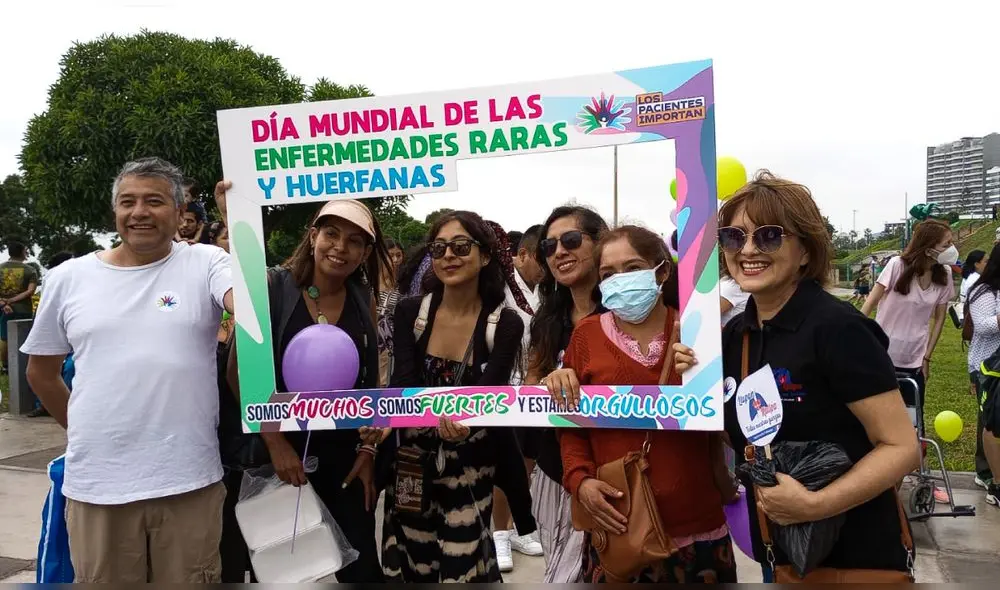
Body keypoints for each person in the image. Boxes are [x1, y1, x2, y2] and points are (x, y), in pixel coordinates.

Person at [675, 171, 919, 581]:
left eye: (768, 236)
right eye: (734, 237)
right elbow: (743, 434)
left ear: (805, 250)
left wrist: (814, 505)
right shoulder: (736, 336)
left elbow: (901, 447)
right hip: (780, 554)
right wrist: (694, 384)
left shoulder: (837, 328)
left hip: (856, 558)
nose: (748, 249)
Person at [21, 157, 235, 582]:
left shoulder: (206, 262)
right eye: (127, 202)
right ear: (115, 211)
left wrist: (240, 223)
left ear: (179, 213)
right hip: (98, 488)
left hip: (189, 484)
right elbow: (40, 372)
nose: (139, 212)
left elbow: (246, 306)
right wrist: (82, 427)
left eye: (154, 201)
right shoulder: (68, 278)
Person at [549, 224, 737, 583]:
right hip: (621, 530)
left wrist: (703, 375)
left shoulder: (701, 331)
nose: (620, 280)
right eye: (608, 273)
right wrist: (580, 482)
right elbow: (570, 426)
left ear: (661, 271)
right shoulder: (585, 336)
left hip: (699, 529)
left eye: (633, 269)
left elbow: (731, 424)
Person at [227, 198, 390, 582]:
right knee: (287, 566)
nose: (340, 247)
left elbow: (371, 383)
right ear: (313, 235)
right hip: (279, 455)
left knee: (361, 565)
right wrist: (276, 443)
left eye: (354, 241)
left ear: (365, 252)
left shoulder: (362, 299)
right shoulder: (271, 288)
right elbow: (239, 373)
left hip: (344, 455)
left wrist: (368, 450)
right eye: (331, 233)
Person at [382, 210, 533, 582]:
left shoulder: (505, 322)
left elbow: (488, 396)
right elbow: (404, 384)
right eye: (439, 248)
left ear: (484, 256)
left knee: (462, 568)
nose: (449, 255)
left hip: (471, 464)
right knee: (415, 564)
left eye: (461, 246)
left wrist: (467, 423)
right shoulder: (409, 312)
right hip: (413, 464)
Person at [517, 205, 609, 583]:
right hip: (556, 472)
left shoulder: (631, 313)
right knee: (563, 576)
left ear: (600, 242)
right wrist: (548, 383)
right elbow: (530, 386)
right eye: (550, 247)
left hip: (617, 469)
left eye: (571, 240)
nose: (559, 252)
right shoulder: (548, 319)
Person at [860, 219, 955, 502]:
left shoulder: (945, 275)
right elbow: (868, 305)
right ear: (928, 248)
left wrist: (928, 355)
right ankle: (869, 482)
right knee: (877, 425)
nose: (952, 249)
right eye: (946, 244)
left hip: (914, 362)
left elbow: (939, 318)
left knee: (911, 427)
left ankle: (895, 491)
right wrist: (854, 338)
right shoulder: (896, 267)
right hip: (881, 357)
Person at [492, 224, 546, 567]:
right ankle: (498, 534)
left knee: (526, 463)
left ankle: (514, 528)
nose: (548, 263)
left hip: (536, 391)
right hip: (504, 389)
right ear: (522, 254)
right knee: (506, 465)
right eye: (542, 256)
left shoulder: (546, 292)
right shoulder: (500, 285)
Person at [965, 243, 1000, 503]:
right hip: (987, 366)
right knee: (989, 420)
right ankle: (986, 472)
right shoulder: (984, 292)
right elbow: (985, 327)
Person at [1, 239, 39, 374]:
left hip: (3, 309)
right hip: (24, 309)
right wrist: (12, 300)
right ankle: (24, 364)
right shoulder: (30, 270)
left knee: (4, 337)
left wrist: (5, 303)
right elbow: (30, 291)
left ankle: (5, 366)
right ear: (23, 252)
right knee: (25, 337)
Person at [376, 238, 404, 386]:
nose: (395, 260)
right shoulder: (368, 284)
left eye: (398, 255)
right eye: (390, 255)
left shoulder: (403, 286)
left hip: (392, 346)